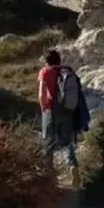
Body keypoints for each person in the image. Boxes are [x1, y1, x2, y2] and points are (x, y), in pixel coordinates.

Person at [37, 48, 88, 184]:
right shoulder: (67, 71)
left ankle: (50, 176)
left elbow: (41, 94)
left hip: (51, 110)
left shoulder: (45, 71)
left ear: (46, 61)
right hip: (67, 110)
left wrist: (44, 109)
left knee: (48, 142)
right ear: (58, 60)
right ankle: (72, 166)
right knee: (67, 142)